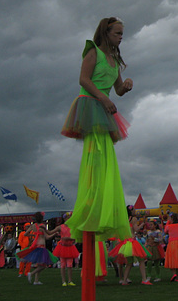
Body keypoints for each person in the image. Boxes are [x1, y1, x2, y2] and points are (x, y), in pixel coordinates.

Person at [61, 17, 134, 295]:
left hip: (103, 106)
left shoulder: (114, 59)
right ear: (106, 32)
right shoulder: (92, 50)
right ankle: (91, 201)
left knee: (105, 156)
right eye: (118, 33)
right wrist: (103, 99)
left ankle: (101, 199)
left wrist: (124, 86)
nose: (121, 37)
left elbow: (116, 90)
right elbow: (83, 79)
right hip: (91, 104)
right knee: (96, 153)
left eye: (122, 34)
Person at [108, 206, 151, 286]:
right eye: (134, 209)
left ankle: (124, 281)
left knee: (129, 263)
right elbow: (136, 229)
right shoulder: (133, 219)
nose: (135, 211)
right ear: (131, 211)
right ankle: (144, 279)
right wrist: (143, 223)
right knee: (141, 260)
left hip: (125, 243)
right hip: (132, 242)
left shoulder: (123, 219)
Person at [17, 212, 58, 285]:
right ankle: (31, 274)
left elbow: (25, 234)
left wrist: (33, 234)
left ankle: (36, 281)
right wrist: (55, 234)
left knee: (40, 264)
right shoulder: (42, 226)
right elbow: (47, 236)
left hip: (35, 246)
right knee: (43, 265)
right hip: (41, 246)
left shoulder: (33, 226)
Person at [51, 213, 80, 286]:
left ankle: (70, 280)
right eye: (68, 217)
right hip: (63, 247)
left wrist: (69, 238)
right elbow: (51, 232)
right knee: (63, 264)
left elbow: (75, 236)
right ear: (65, 219)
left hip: (70, 246)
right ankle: (64, 281)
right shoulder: (61, 227)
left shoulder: (72, 227)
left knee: (70, 265)